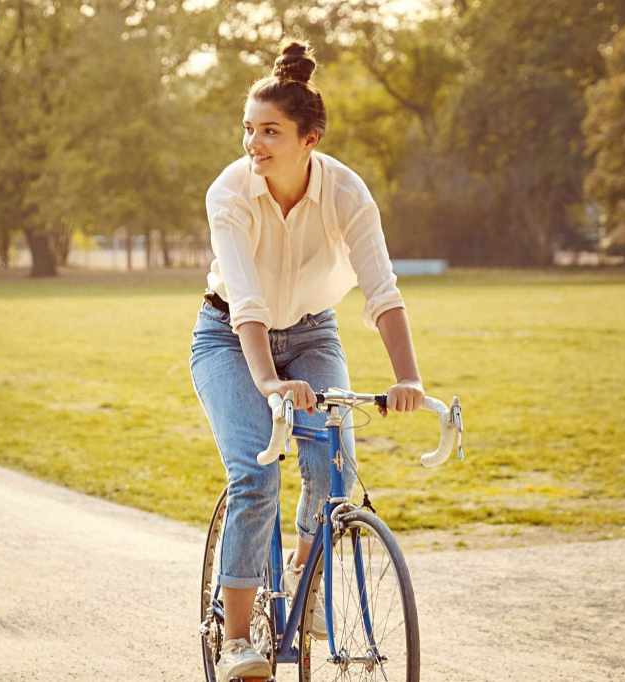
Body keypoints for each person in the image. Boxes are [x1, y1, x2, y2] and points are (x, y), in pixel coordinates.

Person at [189, 39, 426, 682]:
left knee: (334, 462)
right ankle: (238, 638)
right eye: (249, 130)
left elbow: (382, 292)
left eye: (270, 132)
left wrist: (408, 377)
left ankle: (304, 572)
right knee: (257, 473)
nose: (253, 144)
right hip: (229, 338)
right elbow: (246, 300)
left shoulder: (347, 193)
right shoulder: (230, 193)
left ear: (309, 138)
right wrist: (267, 380)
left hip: (314, 334)